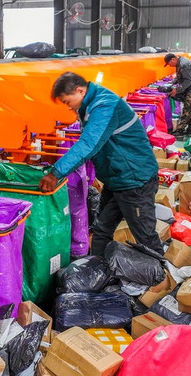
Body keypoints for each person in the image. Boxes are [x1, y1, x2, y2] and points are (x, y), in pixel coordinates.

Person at [38, 72, 165, 257]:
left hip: (134, 180)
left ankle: (161, 272)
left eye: (67, 101)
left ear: (79, 91)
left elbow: (88, 144)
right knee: (101, 229)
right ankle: (96, 267)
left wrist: (55, 173)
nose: (68, 107)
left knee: (145, 235)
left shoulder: (104, 105)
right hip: (117, 179)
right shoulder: (90, 104)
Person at [165, 53, 191, 137]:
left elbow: (188, 81)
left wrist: (177, 90)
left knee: (188, 109)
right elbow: (182, 76)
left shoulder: (184, 65)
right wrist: (173, 82)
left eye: (169, 63)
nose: (170, 65)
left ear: (173, 59)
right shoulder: (180, 63)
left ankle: (180, 130)